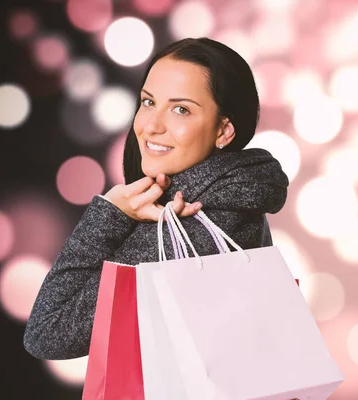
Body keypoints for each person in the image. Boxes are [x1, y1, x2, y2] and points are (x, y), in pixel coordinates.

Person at [23, 37, 289, 360]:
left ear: (224, 131)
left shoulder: (185, 222)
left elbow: (47, 332)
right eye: (148, 102)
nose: (151, 125)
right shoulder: (236, 192)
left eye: (180, 110)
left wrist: (110, 212)